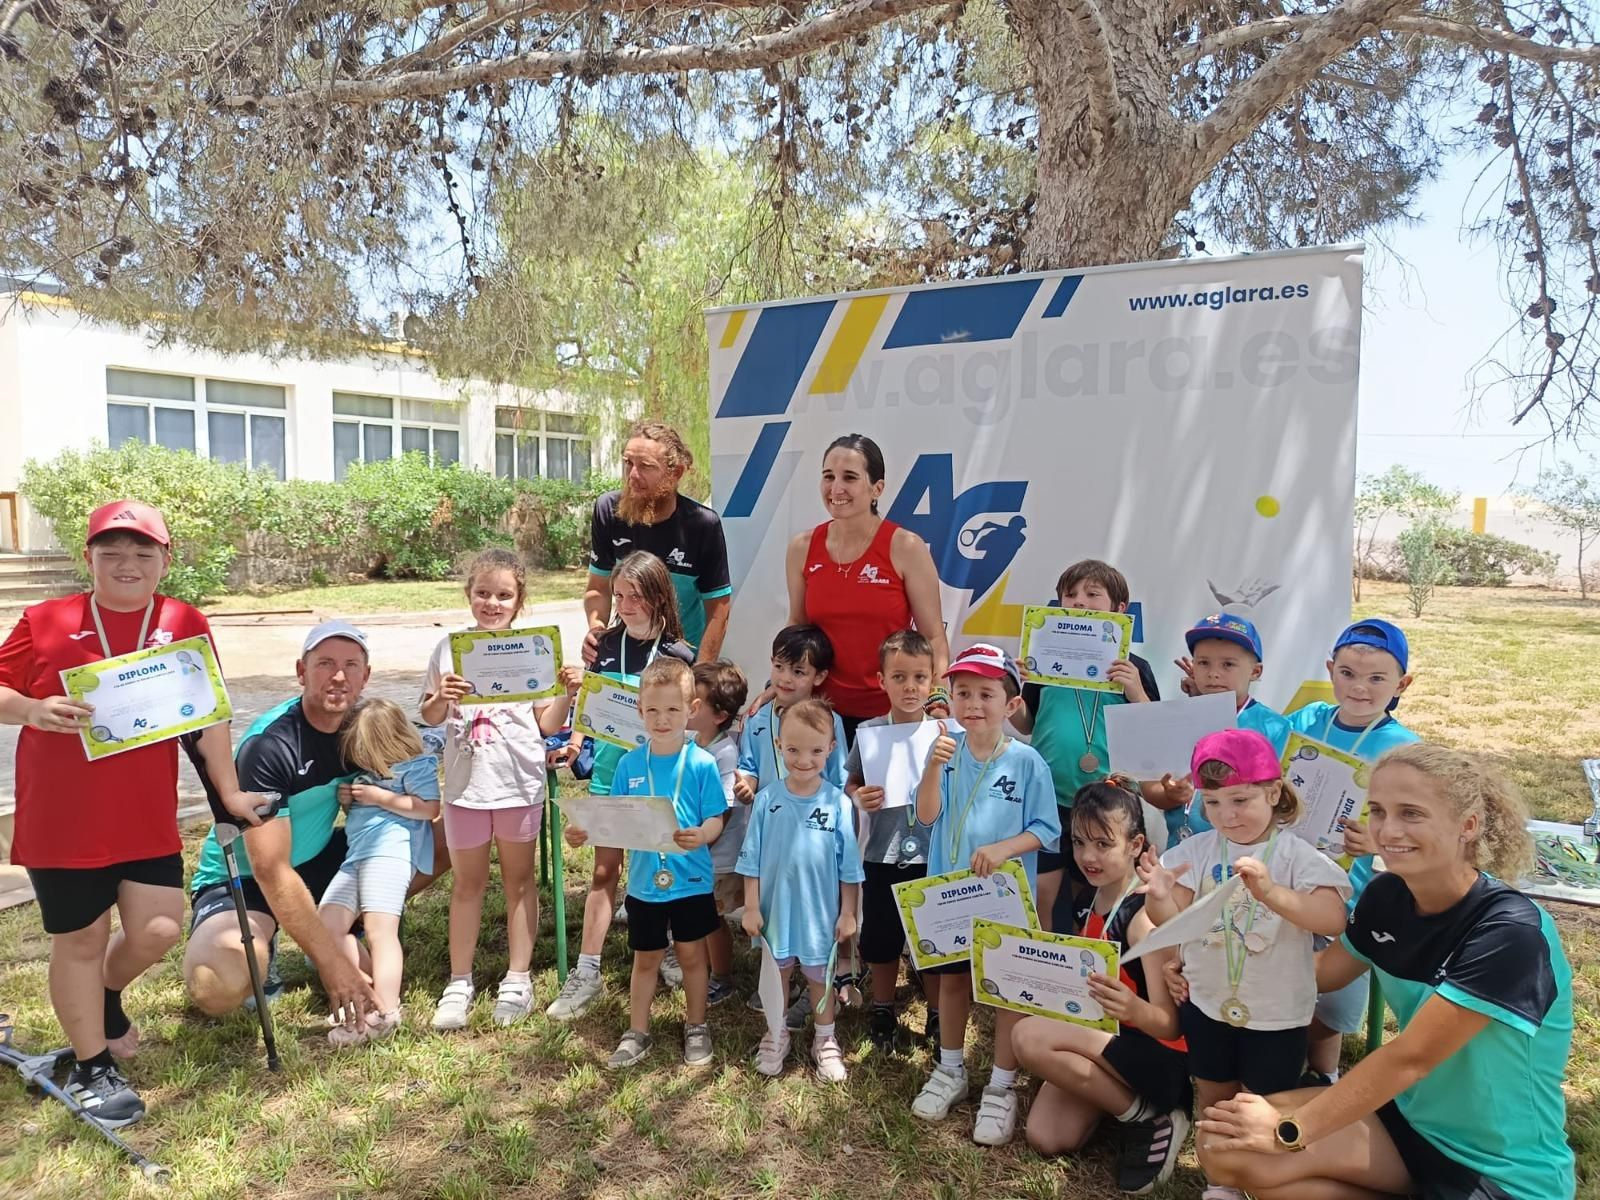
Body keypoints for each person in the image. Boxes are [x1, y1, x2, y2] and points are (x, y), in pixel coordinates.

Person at [1196, 743, 1576, 1200]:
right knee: (1222, 1141)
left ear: (1468, 826)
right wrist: (1212, 970)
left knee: (1264, 1140)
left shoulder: (1511, 932)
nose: (1388, 830)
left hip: (1502, 1168)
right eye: (1378, 811)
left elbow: (1409, 1060)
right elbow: (1321, 974)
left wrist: (1291, 1131)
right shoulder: (1386, 896)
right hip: (1407, 1122)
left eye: (1411, 813)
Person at [0, 500, 264, 1127]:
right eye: (111, 551)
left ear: (164, 559)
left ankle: (105, 995)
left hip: (144, 815)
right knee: (81, 938)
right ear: (87, 557)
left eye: (143, 552)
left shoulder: (183, 619)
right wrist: (33, 711)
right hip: (62, 818)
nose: (127, 564)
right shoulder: (46, 619)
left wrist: (228, 794)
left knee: (159, 930)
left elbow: (211, 714)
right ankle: (93, 1066)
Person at [1141, 728, 1350, 1200]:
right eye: (1213, 803)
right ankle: (1222, 1183)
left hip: (1277, 1013)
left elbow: (1332, 917)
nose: (1226, 816)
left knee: (1266, 1105)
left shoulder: (1298, 856)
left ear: (1273, 792)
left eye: (1240, 800)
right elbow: (1172, 922)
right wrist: (1157, 897)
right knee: (1215, 1096)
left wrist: (1272, 893)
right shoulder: (1196, 851)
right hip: (1209, 1003)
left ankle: (1261, 1181)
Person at [184, 620, 389, 1032]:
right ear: (301, 672)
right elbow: (269, 870)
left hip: (316, 859)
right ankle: (283, 942)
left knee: (440, 840)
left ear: (365, 677)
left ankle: (332, 925)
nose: (338, 676)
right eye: (324, 663)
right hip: (245, 876)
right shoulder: (271, 744)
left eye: (351, 665)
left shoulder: (364, 726)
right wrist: (334, 964)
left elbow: (421, 758)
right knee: (217, 987)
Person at [421, 548, 581, 1031]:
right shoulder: (449, 649)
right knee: (467, 885)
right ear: (469, 595)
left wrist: (567, 694)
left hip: (519, 784)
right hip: (466, 789)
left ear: (519, 600)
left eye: (504, 595)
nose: (492, 603)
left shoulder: (533, 648)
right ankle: (459, 981)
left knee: (518, 883)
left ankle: (518, 978)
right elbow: (428, 716)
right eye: (483, 593)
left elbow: (547, 724)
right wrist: (439, 698)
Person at [910, 643, 1060, 1146]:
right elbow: (926, 815)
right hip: (950, 897)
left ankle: (1001, 1086)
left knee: (1004, 989)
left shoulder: (1027, 762)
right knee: (952, 983)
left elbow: (1046, 828)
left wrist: (1003, 848)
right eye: (963, 693)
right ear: (950, 697)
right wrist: (932, 766)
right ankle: (951, 1068)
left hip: (1001, 900)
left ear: (1010, 705)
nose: (973, 704)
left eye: (986, 694)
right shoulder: (944, 750)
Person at [1012, 780, 1191, 1195]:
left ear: (1135, 845)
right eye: (1078, 843)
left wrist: (1131, 1007)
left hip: (1155, 1056)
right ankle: (1131, 1109)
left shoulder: (1143, 915)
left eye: (1102, 844)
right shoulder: (1086, 900)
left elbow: (1172, 1027)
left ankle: (1157, 1114)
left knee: (1028, 1035)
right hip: (1106, 1039)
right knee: (1047, 1136)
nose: (1087, 857)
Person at [546, 551, 696, 1021]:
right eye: (619, 595)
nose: (625, 604)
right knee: (604, 872)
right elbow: (591, 704)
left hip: (659, 779)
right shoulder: (604, 643)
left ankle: (669, 947)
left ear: (657, 596)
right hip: (611, 775)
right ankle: (586, 971)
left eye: (635, 595)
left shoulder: (678, 654)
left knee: (662, 870)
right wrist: (574, 743)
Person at [564, 658, 726, 1069]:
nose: (661, 719)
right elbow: (615, 823)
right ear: (639, 711)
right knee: (646, 958)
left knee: (691, 956)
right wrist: (585, 832)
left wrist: (703, 835)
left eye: (672, 709)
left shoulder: (702, 763)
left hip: (690, 880)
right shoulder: (629, 764)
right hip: (644, 885)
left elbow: (716, 818)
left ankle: (696, 1025)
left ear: (691, 709)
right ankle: (637, 1031)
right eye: (652, 710)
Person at [1010, 559, 1178, 932]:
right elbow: (1026, 724)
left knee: (1108, 886)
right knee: (1048, 891)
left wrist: (1135, 689)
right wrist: (1012, 696)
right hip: (1049, 798)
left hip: (1110, 802)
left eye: (1092, 594)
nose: (1080, 602)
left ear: (1120, 609)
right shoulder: (1043, 664)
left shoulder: (1134, 667)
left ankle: (1110, 954)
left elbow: (1156, 731)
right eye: (1070, 595)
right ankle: (1052, 955)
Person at [1289, 617, 1418, 1086]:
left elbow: (1418, 831)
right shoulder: (1306, 722)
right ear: (1330, 669)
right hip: (1287, 884)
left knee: (1338, 1006)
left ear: (1402, 683)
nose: (1359, 687)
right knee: (1280, 978)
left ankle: (1320, 1071)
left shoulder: (1406, 751)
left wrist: (1378, 842)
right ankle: (1296, 1059)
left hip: (1354, 900)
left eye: (1377, 678)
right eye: (1347, 673)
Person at [782, 433, 950, 741]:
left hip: (891, 715)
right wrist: (781, 686)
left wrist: (937, 697)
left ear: (877, 488)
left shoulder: (906, 547)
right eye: (828, 477)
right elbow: (797, 627)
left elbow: (933, 635)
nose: (836, 489)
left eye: (849, 478)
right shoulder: (802, 548)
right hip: (821, 714)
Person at [738, 699, 864, 1081]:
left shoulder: (839, 804)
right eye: (793, 749)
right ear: (778, 746)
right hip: (775, 913)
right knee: (777, 976)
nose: (804, 759)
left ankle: (824, 1039)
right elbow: (751, 860)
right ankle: (776, 1034)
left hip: (819, 916)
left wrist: (847, 913)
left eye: (814, 750)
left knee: (818, 978)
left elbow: (850, 869)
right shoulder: (766, 800)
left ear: (831, 749)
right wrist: (751, 907)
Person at [736, 623, 849, 1016]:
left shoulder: (828, 725)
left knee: (816, 911)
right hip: (772, 834)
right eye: (780, 667)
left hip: (816, 837)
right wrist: (746, 784)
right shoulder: (757, 719)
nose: (785, 678)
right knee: (773, 906)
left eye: (798, 672)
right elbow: (747, 764)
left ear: (819, 678)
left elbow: (838, 780)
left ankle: (815, 987)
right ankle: (777, 976)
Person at [318, 699, 441, 1046]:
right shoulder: (367, 774)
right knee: (325, 925)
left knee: (379, 930)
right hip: (358, 856)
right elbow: (363, 810)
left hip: (390, 854)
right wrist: (350, 800)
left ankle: (386, 1010)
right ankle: (366, 991)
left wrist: (378, 798)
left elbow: (429, 808)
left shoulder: (415, 766)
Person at [842, 629, 941, 1053]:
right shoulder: (869, 732)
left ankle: (938, 1011)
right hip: (881, 854)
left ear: (933, 680)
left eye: (920, 677)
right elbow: (851, 784)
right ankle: (883, 1005)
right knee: (881, 937)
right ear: (880, 680)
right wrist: (858, 797)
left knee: (934, 940)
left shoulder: (945, 733)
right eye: (899, 677)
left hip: (934, 857)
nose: (910, 687)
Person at [583, 420, 731, 662]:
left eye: (646, 466)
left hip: (680, 660)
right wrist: (596, 629)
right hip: (624, 654)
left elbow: (719, 609)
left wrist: (701, 675)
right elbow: (598, 587)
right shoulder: (608, 510)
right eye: (628, 463)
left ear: (675, 473)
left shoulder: (703, 524)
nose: (632, 475)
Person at [1168, 613, 1291, 842]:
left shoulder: (1274, 727)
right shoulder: (1180, 717)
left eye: (1228, 664)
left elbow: (1281, 801)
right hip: (1180, 846)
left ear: (1256, 672)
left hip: (1244, 852)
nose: (1214, 673)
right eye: (1203, 663)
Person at [692, 659, 750, 1007]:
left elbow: (724, 811)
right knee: (697, 916)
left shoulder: (724, 753)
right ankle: (699, 967)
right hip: (694, 850)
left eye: (695, 703)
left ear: (719, 716)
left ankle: (722, 976)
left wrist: (701, 843)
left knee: (711, 919)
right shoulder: (687, 743)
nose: (687, 708)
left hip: (716, 857)